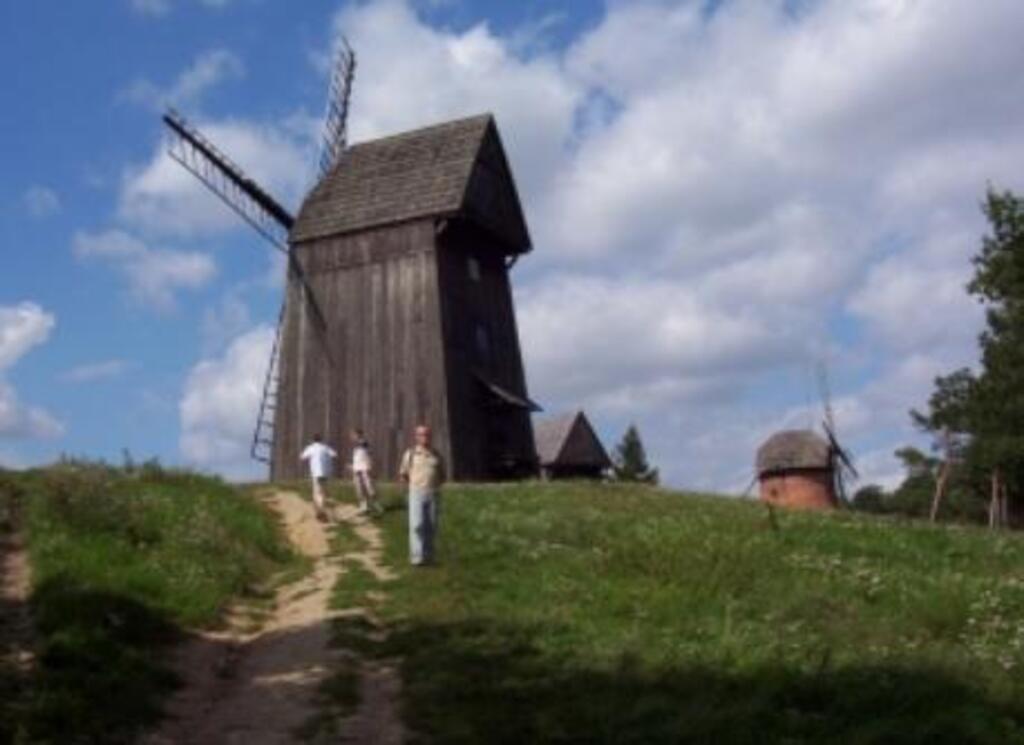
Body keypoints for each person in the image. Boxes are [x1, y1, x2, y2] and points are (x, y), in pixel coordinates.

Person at [399, 424, 446, 566]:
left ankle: (429, 556)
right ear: (416, 437)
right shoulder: (410, 454)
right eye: (421, 434)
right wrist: (409, 489)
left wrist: (435, 487)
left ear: (430, 436)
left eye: (426, 434)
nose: (424, 437)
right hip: (416, 492)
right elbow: (403, 474)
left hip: (433, 492)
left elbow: (442, 474)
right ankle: (417, 558)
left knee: (431, 526)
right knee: (417, 525)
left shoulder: (436, 454)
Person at [300, 434, 337, 522]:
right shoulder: (325, 447)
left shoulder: (311, 448)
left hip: (316, 473)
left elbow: (302, 457)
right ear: (321, 440)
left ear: (313, 440)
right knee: (322, 492)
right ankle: (320, 510)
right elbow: (334, 455)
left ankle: (321, 511)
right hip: (325, 473)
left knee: (317, 492)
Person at [350, 428, 381, 516]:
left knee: (369, 487)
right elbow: (356, 458)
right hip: (357, 469)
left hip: (365, 468)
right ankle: (364, 507)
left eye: (353, 435)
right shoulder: (355, 447)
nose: (352, 437)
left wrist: (370, 465)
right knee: (359, 488)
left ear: (358, 435)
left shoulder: (364, 443)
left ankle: (376, 504)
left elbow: (364, 445)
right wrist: (352, 466)